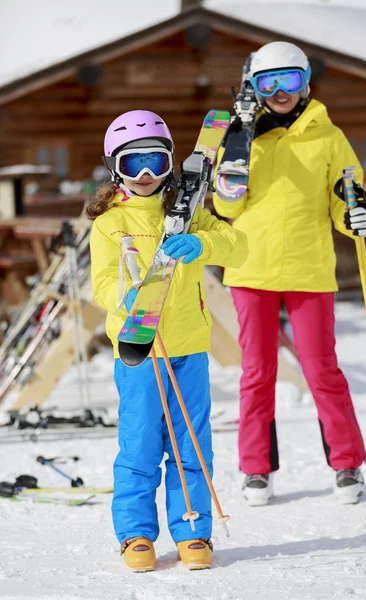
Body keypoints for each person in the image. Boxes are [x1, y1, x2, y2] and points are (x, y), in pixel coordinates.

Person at [213, 41, 366, 507]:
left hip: (309, 270)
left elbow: (347, 195)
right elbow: (225, 207)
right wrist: (238, 151)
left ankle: (347, 463)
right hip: (250, 268)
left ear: (306, 83)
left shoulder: (328, 136)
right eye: (269, 82)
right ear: (253, 87)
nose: (281, 91)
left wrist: (356, 216)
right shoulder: (240, 135)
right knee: (256, 373)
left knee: (322, 370)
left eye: (291, 80)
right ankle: (255, 470)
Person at [87, 110, 247, 571]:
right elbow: (101, 285)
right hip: (139, 350)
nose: (145, 175)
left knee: (191, 444)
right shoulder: (109, 224)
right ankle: (136, 533)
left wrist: (205, 245)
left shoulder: (191, 213)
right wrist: (127, 292)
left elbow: (240, 245)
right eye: (133, 163)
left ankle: (193, 531)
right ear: (113, 166)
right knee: (139, 444)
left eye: (155, 162)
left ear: (171, 163)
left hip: (188, 347)